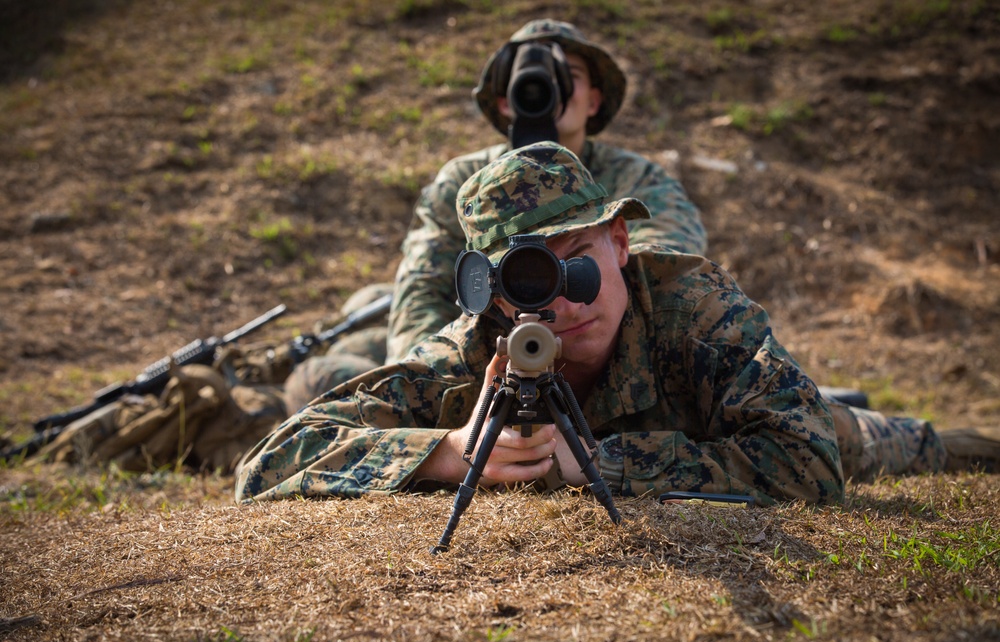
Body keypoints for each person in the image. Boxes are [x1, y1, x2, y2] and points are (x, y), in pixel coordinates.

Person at [234, 142, 996, 506]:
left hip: (743, 420)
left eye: (580, 262)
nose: (563, 300)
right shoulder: (467, 356)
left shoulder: (693, 308)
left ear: (622, 242)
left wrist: (598, 462)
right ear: (496, 296)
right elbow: (266, 463)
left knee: (901, 442)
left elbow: (808, 462)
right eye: (529, 280)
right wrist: (445, 450)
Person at [282, 18, 706, 413]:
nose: (550, 90)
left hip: (595, 345)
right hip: (483, 345)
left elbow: (663, 263)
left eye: (568, 77)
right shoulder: (464, 181)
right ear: (506, 100)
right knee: (321, 375)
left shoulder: (637, 176)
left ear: (594, 99)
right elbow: (424, 287)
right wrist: (440, 395)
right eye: (534, 78)